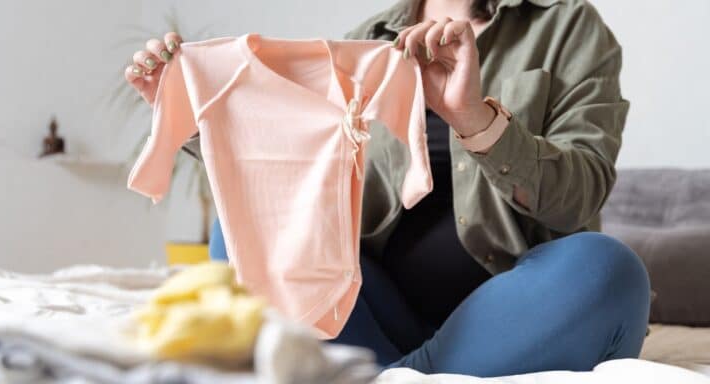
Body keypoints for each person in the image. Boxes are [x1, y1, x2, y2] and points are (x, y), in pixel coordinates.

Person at [124, 0, 650, 377]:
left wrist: (473, 118)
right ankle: (420, 372)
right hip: (376, 312)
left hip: (522, 308)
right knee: (241, 236)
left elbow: (580, 193)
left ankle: (397, 375)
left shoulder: (568, 26)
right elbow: (291, 175)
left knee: (607, 269)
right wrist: (192, 120)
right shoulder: (367, 39)